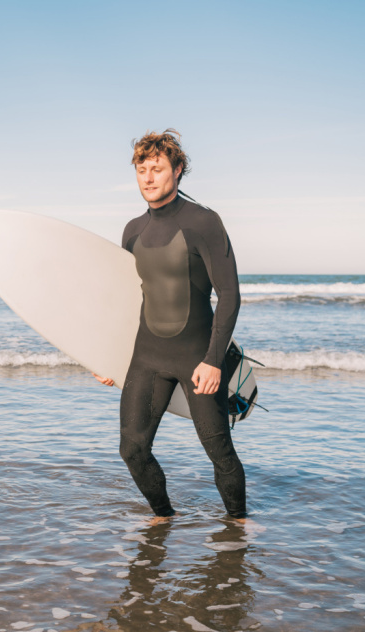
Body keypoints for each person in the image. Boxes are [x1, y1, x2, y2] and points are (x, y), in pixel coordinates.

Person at [93, 129, 247, 524]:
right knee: (132, 449)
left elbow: (229, 295)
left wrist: (214, 360)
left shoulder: (204, 222)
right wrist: (107, 358)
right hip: (148, 356)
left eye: (157, 168)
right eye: (141, 170)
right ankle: (164, 517)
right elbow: (129, 301)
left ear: (177, 171)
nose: (148, 177)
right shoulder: (132, 231)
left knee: (218, 450)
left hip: (197, 357)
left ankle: (238, 525)